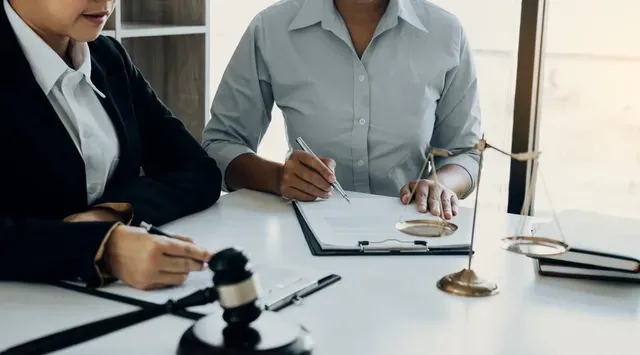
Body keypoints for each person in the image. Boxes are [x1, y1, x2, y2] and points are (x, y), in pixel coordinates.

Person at [0, 0, 222, 290]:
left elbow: (197, 169)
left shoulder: (108, 55)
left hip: (112, 301)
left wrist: (109, 213)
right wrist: (103, 248)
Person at [203, 0, 482, 220]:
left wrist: (441, 185)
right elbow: (221, 144)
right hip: (304, 232)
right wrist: (277, 178)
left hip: (411, 229)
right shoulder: (270, 28)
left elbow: (465, 152)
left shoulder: (446, 32)